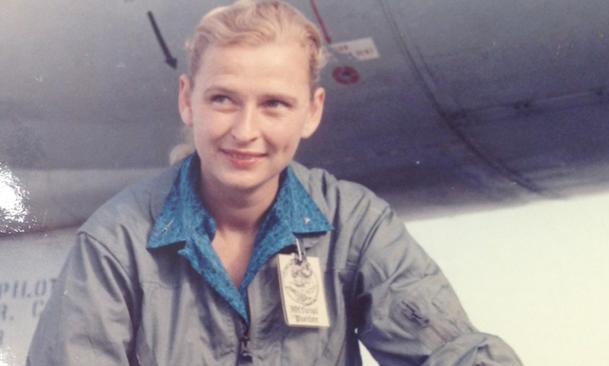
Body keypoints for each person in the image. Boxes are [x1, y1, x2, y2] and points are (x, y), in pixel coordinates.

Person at [27, 1, 522, 365]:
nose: (245, 131)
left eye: (274, 104)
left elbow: (454, 355)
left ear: (312, 111)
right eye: (223, 99)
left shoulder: (353, 225)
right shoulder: (116, 244)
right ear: (186, 100)